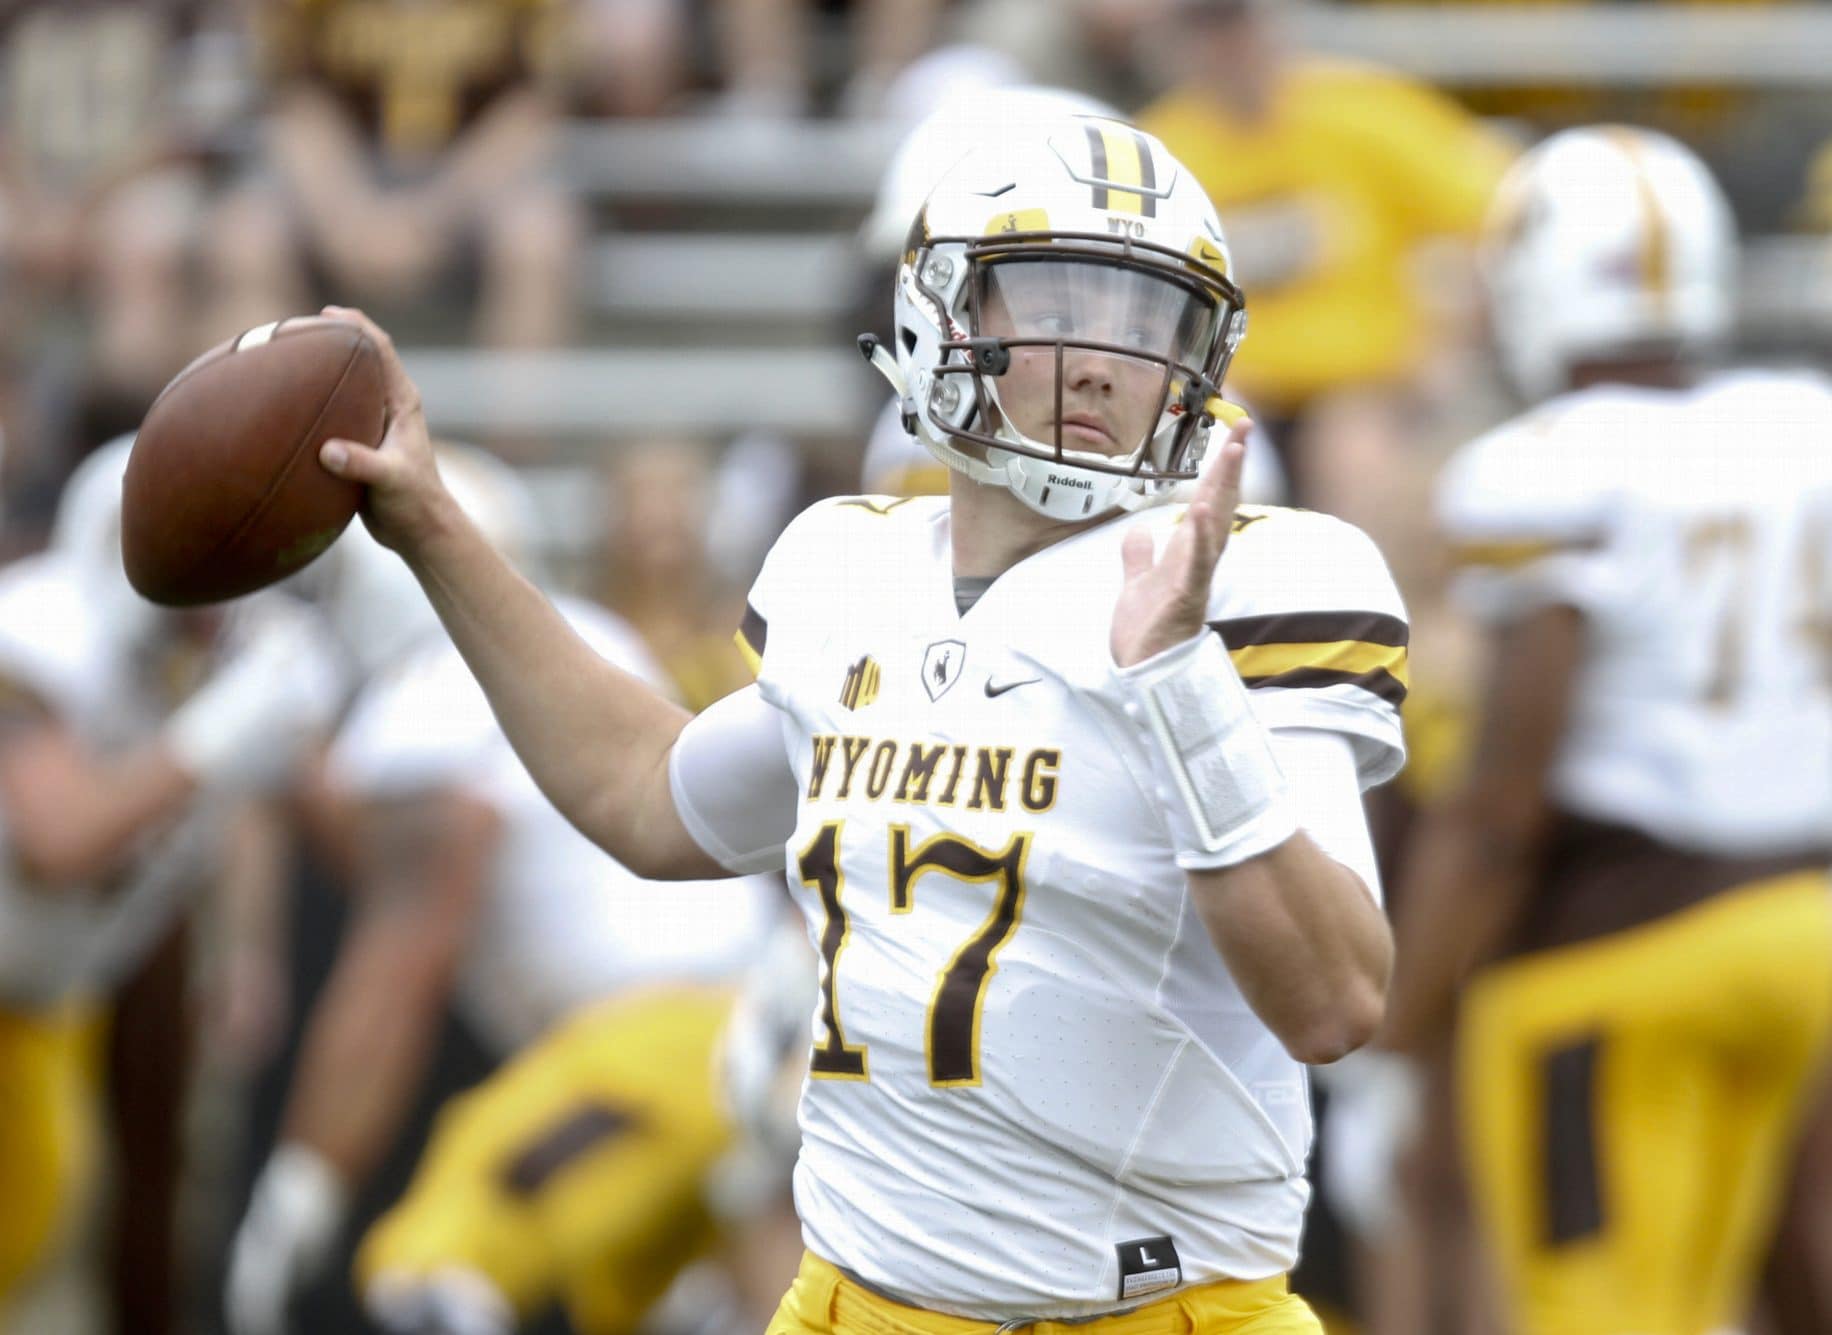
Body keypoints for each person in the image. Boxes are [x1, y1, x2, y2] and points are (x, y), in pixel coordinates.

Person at [312, 112, 1405, 1331]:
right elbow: (644, 791)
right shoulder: (847, 567)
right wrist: (431, 528)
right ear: (944, 314)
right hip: (852, 1304)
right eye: (1059, 300)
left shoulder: (1261, 581)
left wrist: (1176, 685)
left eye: (1149, 321)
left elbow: (1333, 1002)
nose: (1104, 358)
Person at [1383, 126, 1832, 1335]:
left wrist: (1392, 1018)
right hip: (1803, 931)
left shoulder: (1541, 469)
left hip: (1619, 953)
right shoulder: (1801, 426)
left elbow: (1498, 807)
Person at [225, 451, 780, 1335]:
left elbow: (405, 952)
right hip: (750, 1046)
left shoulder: (435, 693)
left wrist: (304, 1179)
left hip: (659, 1050)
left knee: (430, 1275)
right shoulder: (596, 636)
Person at [0, 439, 342, 1329]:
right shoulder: (41, 629)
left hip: (44, 1001)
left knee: (41, 1228)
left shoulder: (242, 655)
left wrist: (247, 949)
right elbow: (58, 840)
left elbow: (258, 802)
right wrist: (211, 740)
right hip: (25, 986)